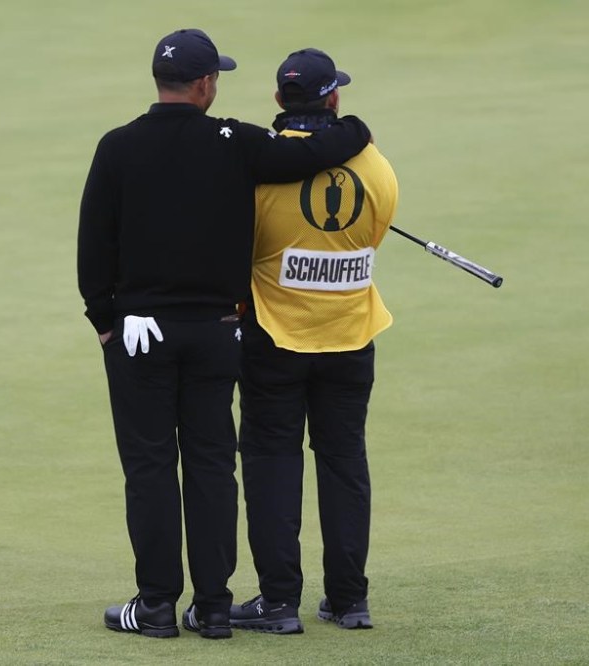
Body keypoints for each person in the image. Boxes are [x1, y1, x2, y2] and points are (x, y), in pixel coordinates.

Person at [78, 30, 373, 640]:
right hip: (217, 333)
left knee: (151, 467)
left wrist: (105, 323)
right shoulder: (236, 141)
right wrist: (355, 127)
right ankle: (212, 606)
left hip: (140, 335)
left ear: (161, 82)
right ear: (207, 83)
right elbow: (312, 149)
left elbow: (93, 248)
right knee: (212, 465)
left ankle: (156, 605)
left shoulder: (117, 146)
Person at [229, 48, 398, 634]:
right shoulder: (375, 166)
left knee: (273, 463)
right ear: (334, 98)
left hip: (274, 339)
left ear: (280, 101)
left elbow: (241, 253)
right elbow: (373, 236)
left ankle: (278, 603)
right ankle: (349, 599)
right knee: (344, 460)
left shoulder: (257, 171)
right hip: (351, 337)